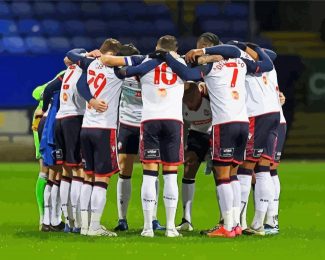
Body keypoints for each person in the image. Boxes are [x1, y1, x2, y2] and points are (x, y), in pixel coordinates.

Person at [164, 42, 274, 238]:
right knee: (232, 175)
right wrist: (206, 52)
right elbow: (246, 56)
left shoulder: (211, 68)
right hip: (242, 123)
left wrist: (169, 57)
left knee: (222, 175)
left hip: (224, 125)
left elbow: (186, 74)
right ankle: (236, 224)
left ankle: (228, 226)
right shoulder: (240, 64)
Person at [66, 38, 160, 236]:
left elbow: (73, 59)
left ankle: (84, 226)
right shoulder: (117, 71)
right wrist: (158, 58)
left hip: (87, 127)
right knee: (102, 179)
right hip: (104, 129)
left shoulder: (89, 64)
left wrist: (87, 56)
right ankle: (94, 226)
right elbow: (140, 67)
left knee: (87, 177)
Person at [113, 44, 165, 232]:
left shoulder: (147, 70)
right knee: (126, 170)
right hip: (128, 124)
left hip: (147, 124)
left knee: (150, 171)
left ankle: (152, 218)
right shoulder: (118, 74)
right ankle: (122, 219)